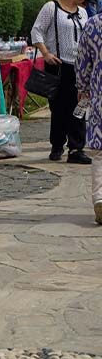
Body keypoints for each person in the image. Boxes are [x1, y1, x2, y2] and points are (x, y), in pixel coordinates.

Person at [31, 0, 91, 164]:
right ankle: (57, 144)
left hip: (79, 67)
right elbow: (36, 31)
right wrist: (46, 53)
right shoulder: (52, 8)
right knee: (58, 108)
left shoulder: (83, 12)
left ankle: (76, 148)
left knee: (79, 106)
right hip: (57, 66)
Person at [75, 13, 102, 223]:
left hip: (100, 94)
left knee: (100, 153)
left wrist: (83, 88)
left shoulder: (93, 24)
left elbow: (82, 63)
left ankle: (100, 197)